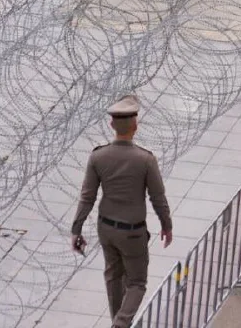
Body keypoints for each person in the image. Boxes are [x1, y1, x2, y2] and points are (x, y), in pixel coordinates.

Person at [69, 95, 173, 328]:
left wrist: (76, 229)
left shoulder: (98, 156)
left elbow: (87, 197)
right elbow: (158, 197)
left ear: (111, 125)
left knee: (113, 278)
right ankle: (121, 324)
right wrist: (166, 225)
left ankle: (117, 321)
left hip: (106, 228)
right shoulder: (145, 160)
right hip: (133, 232)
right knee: (137, 283)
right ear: (135, 126)